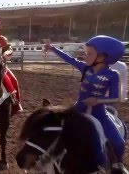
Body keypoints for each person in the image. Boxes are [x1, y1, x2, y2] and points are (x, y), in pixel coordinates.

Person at [44, 35, 127, 172]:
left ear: (102, 57)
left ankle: (117, 164)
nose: (85, 56)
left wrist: (98, 100)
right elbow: (69, 59)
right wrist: (52, 48)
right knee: (54, 127)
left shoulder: (113, 75)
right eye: (85, 53)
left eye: (89, 54)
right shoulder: (85, 68)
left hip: (99, 114)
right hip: (78, 109)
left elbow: (116, 97)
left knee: (119, 143)